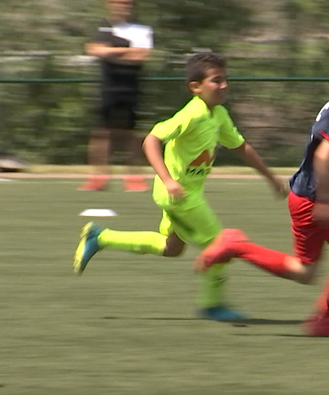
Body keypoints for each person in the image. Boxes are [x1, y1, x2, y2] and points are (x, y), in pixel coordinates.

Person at [194, 50, 329, 337]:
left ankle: (323, 320)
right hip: (314, 196)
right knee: (304, 272)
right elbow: (326, 155)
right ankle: (236, 245)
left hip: (321, 191)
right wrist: (327, 200)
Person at [73, 51, 287, 321]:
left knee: (172, 248)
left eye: (225, 80)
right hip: (180, 196)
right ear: (195, 87)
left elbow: (241, 147)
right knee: (221, 244)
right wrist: (168, 180)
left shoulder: (218, 114)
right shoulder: (192, 114)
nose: (223, 86)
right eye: (216, 80)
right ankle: (212, 305)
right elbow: (150, 141)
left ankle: (100, 237)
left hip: (186, 193)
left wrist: (270, 177)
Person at [80, 0, 154, 192]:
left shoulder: (141, 29)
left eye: (127, 3)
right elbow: (95, 50)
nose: (122, 6)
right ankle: (98, 178)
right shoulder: (102, 28)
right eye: (117, 2)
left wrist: (111, 52)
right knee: (101, 132)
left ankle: (134, 178)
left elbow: (141, 56)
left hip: (131, 87)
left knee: (131, 133)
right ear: (109, 4)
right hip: (107, 86)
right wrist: (125, 51)